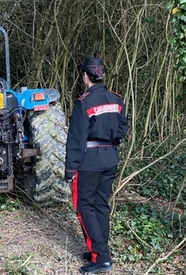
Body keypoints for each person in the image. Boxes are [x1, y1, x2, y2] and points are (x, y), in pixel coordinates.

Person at [65, 56, 129, 274]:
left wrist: (70, 168)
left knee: (84, 207)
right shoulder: (116, 99)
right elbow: (122, 128)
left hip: (88, 161)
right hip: (110, 158)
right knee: (101, 205)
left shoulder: (84, 103)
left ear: (85, 76)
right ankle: (100, 249)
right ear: (102, 75)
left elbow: (76, 138)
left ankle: (101, 257)